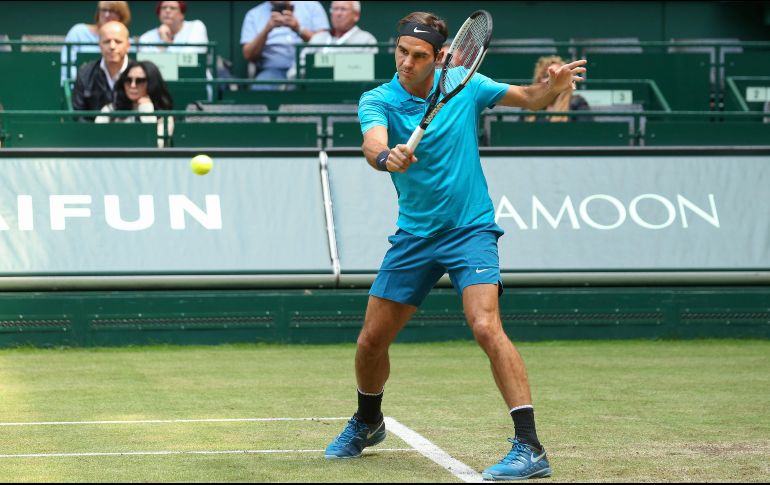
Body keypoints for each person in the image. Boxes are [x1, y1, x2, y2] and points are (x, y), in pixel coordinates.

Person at [323, 11, 586, 481]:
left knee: (486, 325)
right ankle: (368, 420)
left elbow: (531, 98)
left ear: (440, 56)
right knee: (369, 343)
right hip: (415, 236)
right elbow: (371, 144)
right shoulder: (378, 98)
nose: (406, 62)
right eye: (401, 51)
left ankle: (529, 446)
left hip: (470, 229)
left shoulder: (464, 82)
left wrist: (553, 85)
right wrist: (387, 156)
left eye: (418, 55)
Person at [240, 1, 329, 89]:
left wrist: (299, 29)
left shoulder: (312, 6)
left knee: (322, 91)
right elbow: (248, 55)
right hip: (273, 70)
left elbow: (325, 44)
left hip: (308, 69)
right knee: (260, 90)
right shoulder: (253, 14)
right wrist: (266, 30)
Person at [95, 60, 174, 147]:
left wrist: (146, 110)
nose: (133, 85)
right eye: (128, 80)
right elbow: (96, 140)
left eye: (139, 81)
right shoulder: (110, 109)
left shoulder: (165, 117)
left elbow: (158, 145)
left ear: (152, 83)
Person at [72, 21, 131, 121]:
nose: (112, 46)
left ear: (128, 46)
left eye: (118, 41)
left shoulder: (141, 72)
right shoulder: (85, 73)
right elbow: (78, 114)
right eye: (107, 41)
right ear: (99, 45)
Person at [62, 1, 131, 82]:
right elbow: (66, 67)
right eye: (104, 10)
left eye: (112, 11)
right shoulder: (78, 32)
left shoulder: (127, 41)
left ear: (122, 15)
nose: (107, 15)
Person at [525, 55, 589, 122]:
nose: (551, 80)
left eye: (556, 76)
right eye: (546, 76)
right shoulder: (529, 106)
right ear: (539, 81)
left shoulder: (577, 103)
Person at [138, 1, 209, 54]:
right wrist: (163, 42)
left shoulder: (196, 27)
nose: (167, 11)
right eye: (163, 7)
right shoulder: (146, 37)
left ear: (182, 14)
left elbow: (188, 59)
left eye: (173, 8)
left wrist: (167, 43)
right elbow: (148, 67)